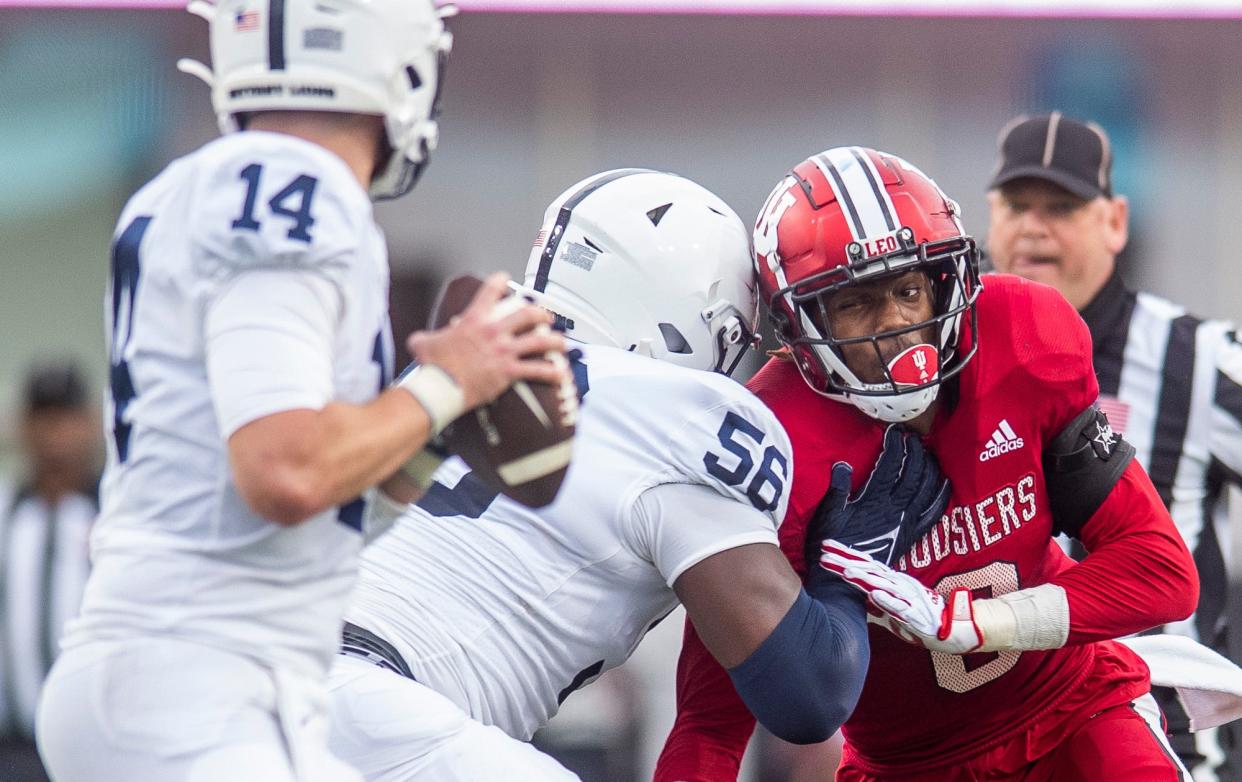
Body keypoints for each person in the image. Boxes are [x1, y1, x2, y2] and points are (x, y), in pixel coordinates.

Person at [34, 2, 568, 781]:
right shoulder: (296, 183)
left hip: (178, 678)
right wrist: (453, 376)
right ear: (400, 59)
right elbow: (285, 473)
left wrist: (439, 424)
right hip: (204, 688)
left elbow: (321, 508)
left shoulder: (191, 189)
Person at [324, 169, 949, 781]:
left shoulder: (474, 368)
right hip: (378, 710)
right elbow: (808, 692)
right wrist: (848, 570)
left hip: (267, 668)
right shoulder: (675, 415)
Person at [654, 146, 1199, 782]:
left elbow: (1160, 572)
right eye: (855, 303)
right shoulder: (764, 442)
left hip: (1072, 710)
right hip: (905, 766)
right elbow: (710, 725)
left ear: (945, 281)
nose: (896, 328)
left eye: (909, 290)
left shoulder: (1023, 334)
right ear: (799, 325)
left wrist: (984, 621)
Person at [985, 111, 1242, 780]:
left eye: (1062, 206)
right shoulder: (955, 360)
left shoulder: (1199, 358)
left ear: (1115, 222)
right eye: (1016, 205)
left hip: (1158, 735)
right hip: (991, 740)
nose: (1033, 226)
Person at [0, 362, 99, 782]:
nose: (56, 433)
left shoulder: (118, 513)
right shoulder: (4, 512)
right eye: (44, 418)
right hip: (13, 746)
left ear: (91, 424)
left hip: (99, 742)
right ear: (22, 425)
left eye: (68, 417)